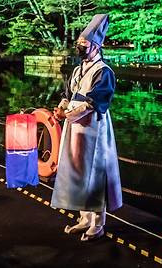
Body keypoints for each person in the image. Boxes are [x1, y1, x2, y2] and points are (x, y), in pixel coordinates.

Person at [50, 14, 122, 242]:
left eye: (84, 44)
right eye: (79, 43)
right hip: (74, 128)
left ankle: (97, 223)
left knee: (95, 172)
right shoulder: (78, 69)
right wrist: (60, 107)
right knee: (77, 168)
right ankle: (83, 217)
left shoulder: (104, 71)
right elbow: (68, 94)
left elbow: (95, 102)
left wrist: (68, 114)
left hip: (93, 128)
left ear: (96, 46)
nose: (80, 47)